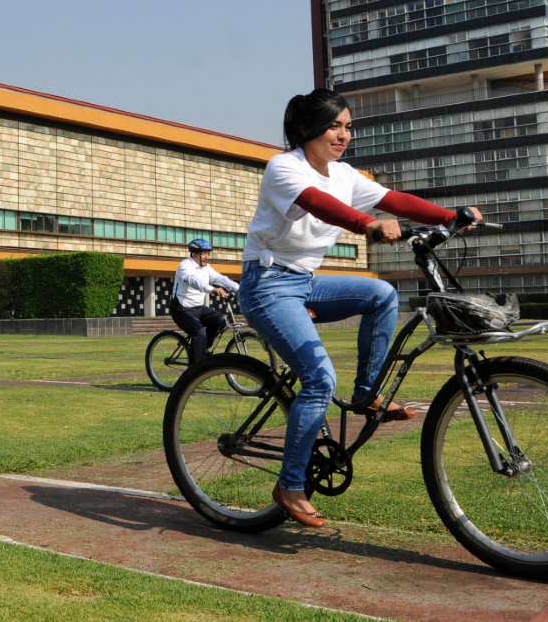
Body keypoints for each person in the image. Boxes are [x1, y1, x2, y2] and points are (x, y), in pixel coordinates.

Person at [238, 88, 483, 528]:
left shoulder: (345, 174)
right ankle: (290, 485)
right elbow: (318, 204)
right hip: (268, 285)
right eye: (335, 125)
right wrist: (365, 224)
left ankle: (367, 395)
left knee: (382, 295)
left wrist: (448, 216)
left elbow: (395, 201)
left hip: (305, 283)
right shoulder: (284, 168)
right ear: (304, 129)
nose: (344, 135)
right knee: (318, 378)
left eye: (348, 127)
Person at [170, 238, 240, 365]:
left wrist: (238, 288)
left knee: (221, 321)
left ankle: (202, 350)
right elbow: (194, 281)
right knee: (200, 333)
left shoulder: (206, 268)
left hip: (198, 308)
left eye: (208, 253)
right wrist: (212, 289)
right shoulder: (185, 266)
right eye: (205, 253)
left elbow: (220, 278)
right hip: (181, 309)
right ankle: (194, 370)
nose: (207, 256)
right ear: (195, 253)